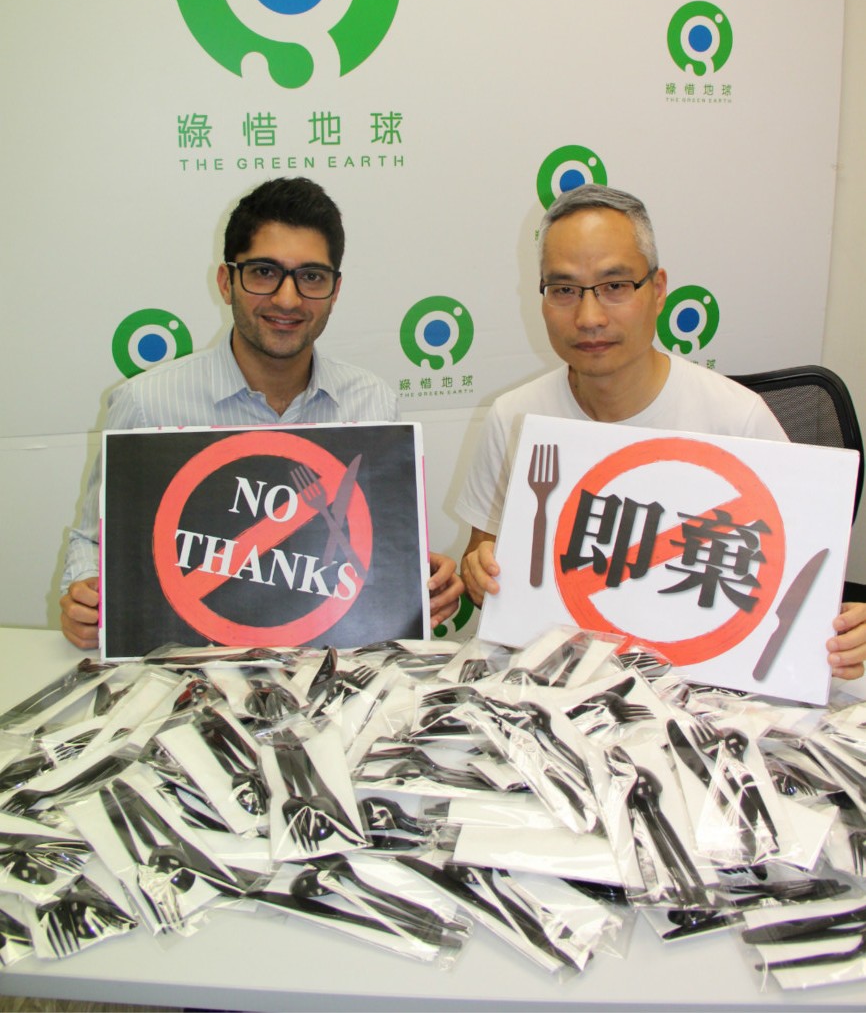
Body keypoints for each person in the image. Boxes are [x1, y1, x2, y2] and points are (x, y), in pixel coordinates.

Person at [457, 184, 866, 680]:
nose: (589, 317)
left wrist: (846, 633)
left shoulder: (738, 419)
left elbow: (802, 587)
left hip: (702, 691)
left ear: (658, 289)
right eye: (564, 290)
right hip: (557, 685)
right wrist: (478, 573)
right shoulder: (514, 418)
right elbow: (481, 560)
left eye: (615, 285)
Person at [61, 177, 462, 649]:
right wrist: (85, 593)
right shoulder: (147, 403)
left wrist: (419, 578)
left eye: (312, 276)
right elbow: (94, 542)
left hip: (332, 675)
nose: (287, 299)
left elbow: (376, 548)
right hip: (190, 674)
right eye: (264, 272)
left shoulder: (372, 403)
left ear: (335, 290)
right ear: (226, 281)